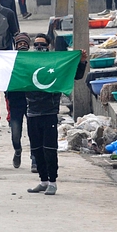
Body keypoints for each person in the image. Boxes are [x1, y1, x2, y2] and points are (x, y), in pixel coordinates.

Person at [26, 34, 87, 196]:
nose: (39, 48)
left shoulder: (56, 63)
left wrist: (81, 61)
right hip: (32, 112)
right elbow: (11, 72)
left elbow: (76, 75)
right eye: (36, 45)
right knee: (36, 149)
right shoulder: (28, 63)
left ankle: (52, 181)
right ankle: (43, 181)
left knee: (49, 149)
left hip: (49, 112)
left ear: (49, 46)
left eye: (42, 45)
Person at [6, 33, 37, 171]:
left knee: (34, 133)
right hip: (15, 102)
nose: (22, 46)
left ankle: (34, 160)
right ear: (15, 45)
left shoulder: (34, 61)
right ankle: (17, 150)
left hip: (32, 102)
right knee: (15, 134)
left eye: (25, 44)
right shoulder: (9, 61)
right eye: (20, 44)